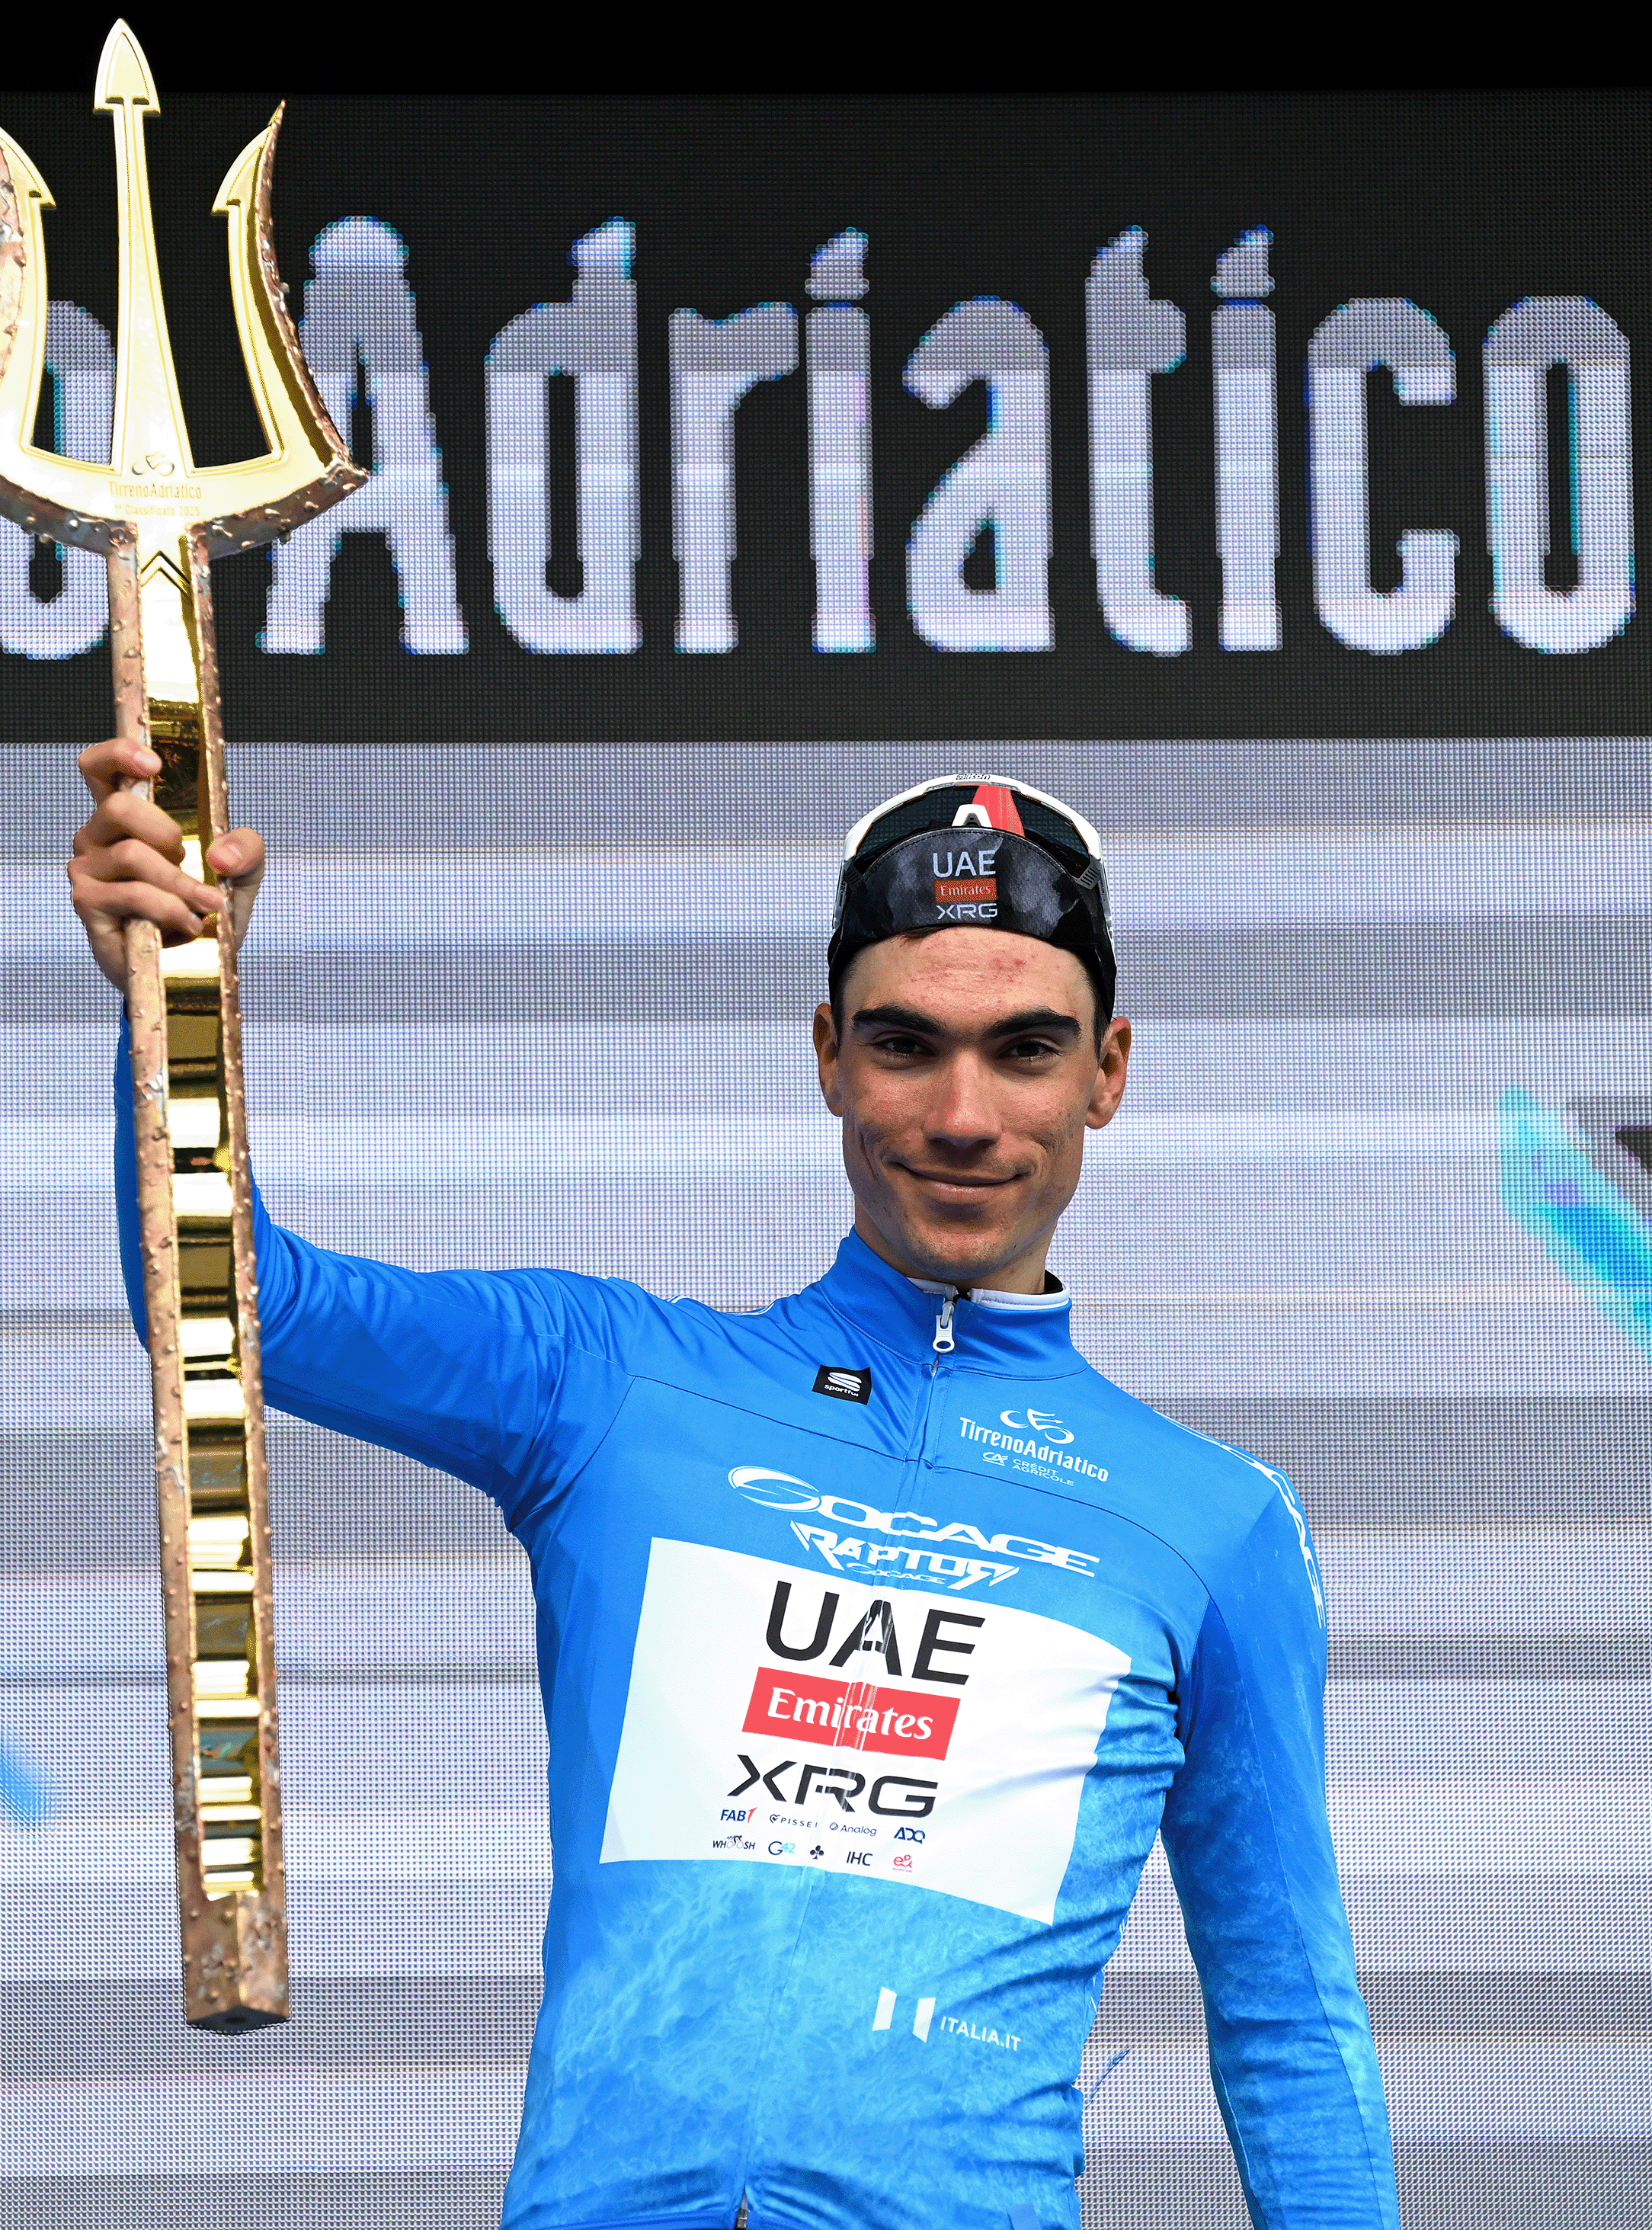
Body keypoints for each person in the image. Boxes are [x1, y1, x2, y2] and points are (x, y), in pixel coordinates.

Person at [69, 743, 1399, 2230]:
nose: (963, 1111)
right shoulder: (610, 1381)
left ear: (1109, 1070)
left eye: (1025, 1047)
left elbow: (1285, 2021)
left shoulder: (1212, 1519)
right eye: (905, 1044)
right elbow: (232, 1300)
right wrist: (175, 994)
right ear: (828, 1050)